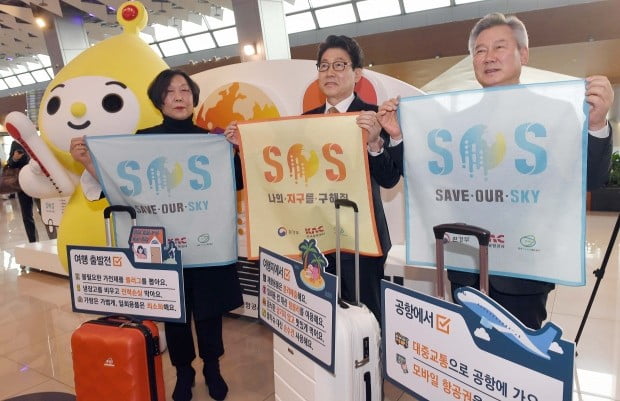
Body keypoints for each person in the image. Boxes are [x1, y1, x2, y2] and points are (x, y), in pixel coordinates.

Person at [379, 13, 613, 330]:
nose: (488, 57)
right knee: (469, 348)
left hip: (524, 269)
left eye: (499, 47)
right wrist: (396, 135)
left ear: (523, 54)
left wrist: (597, 125)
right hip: (466, 263)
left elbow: (591, 179)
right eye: (480, 50)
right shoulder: (455, 122)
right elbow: (426, 176)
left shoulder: (554, 114)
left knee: (518, 359)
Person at [71, 69, 243, 401]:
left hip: (204, 243)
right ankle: (184, 372)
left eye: (185, 91)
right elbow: (121, 189)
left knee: (208, 311)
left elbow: (233, 184)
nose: (179, 97)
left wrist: (234, 151)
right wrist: (88, 162)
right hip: (161, 246)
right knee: (173, 313)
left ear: (193, 98)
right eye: (170, 92)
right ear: (159, 100)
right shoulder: (141, 140)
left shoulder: (213, 140)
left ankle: (212, 368)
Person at [7, 141, 38, 243]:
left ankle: (53, 239)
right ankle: (33, 242)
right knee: (27, 215)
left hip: (40, 182)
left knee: (46, 213)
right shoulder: (15, 143)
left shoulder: (36, 140)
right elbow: (10, 163)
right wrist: (15, 158)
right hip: (23, 183)